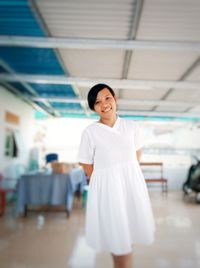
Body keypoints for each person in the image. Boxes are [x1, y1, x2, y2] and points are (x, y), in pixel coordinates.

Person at [77, 84, 155, 268]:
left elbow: (136, 156)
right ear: (93, 108)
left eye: (107, 98)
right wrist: (106, 182)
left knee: (129, 237)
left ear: (115, 98)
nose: (104, 104)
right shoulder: (90, 132)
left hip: (131, 188)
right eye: (97, 102)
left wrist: (124, 174)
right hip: (109, 193)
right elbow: (86, 164)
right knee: (118, 242)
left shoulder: (132, 127)